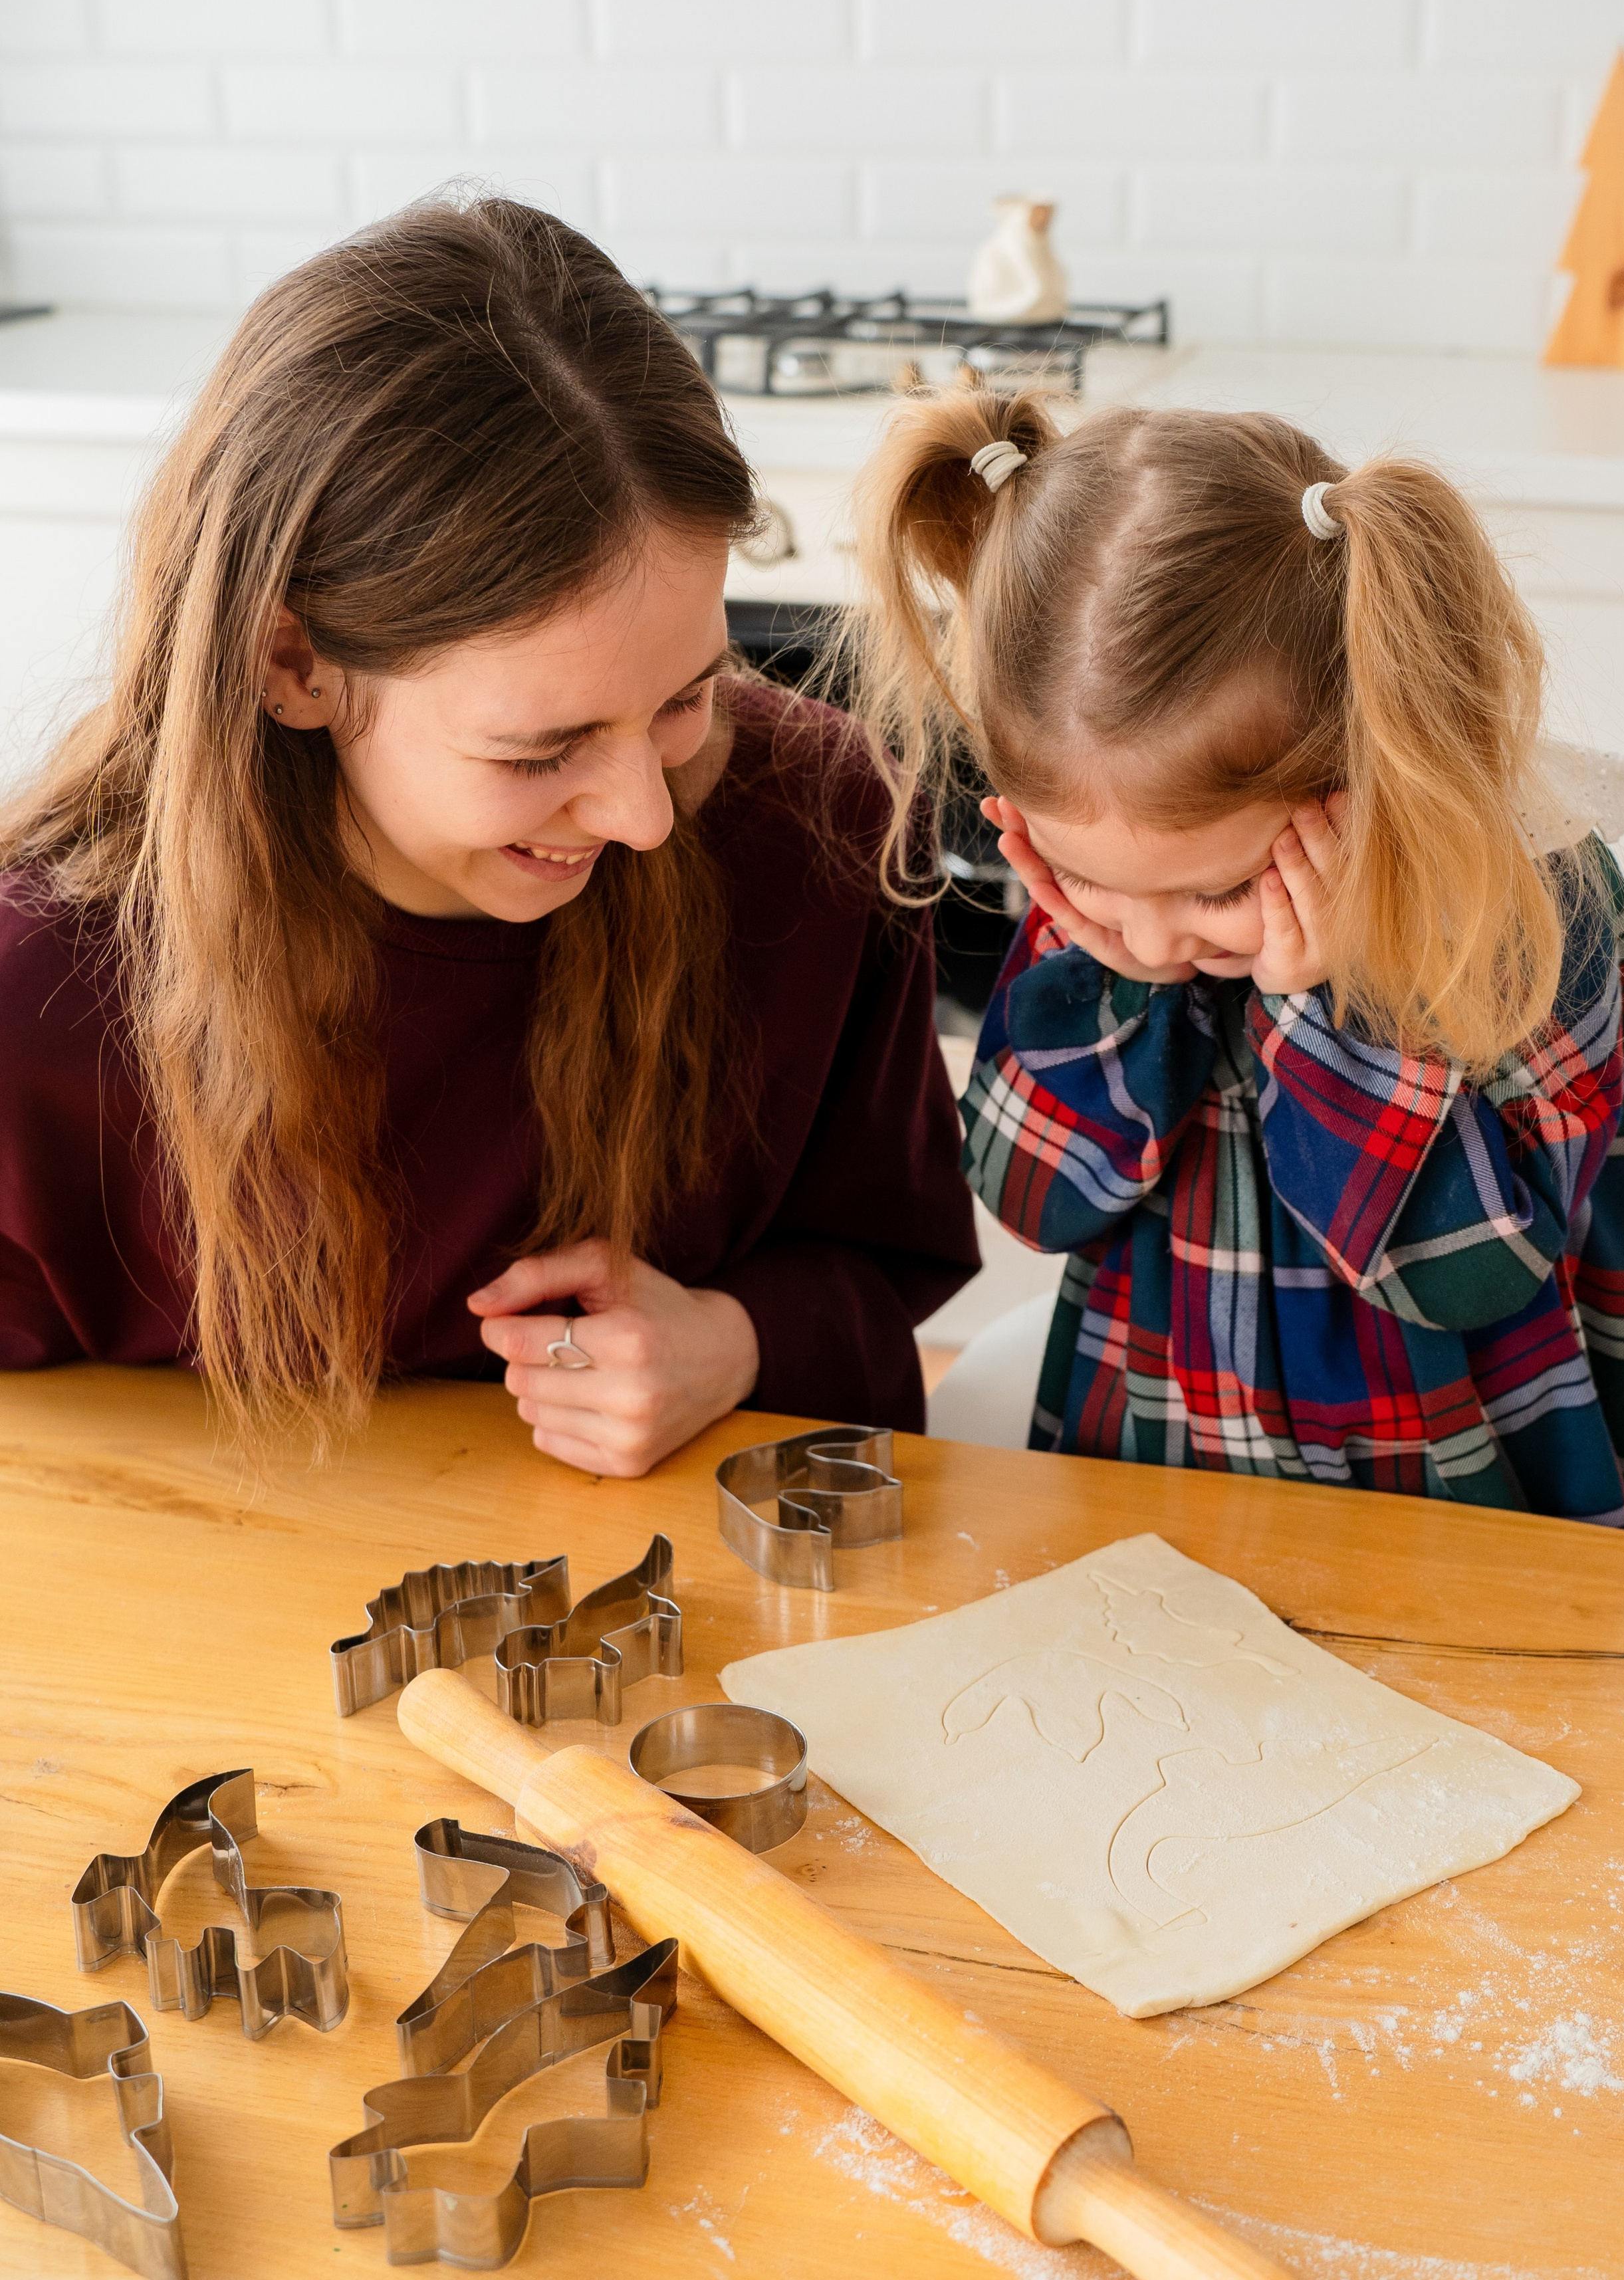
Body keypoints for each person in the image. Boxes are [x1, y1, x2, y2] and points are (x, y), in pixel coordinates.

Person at [0, 199, 978, 1470]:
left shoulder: (819, 820)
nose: (638, 816)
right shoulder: (38, 994)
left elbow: (886, 1268)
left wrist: (733, 1344)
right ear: (289, 663)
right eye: (540, 750)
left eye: (687, 696)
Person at [848, 391, 1624, 1528]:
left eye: (1222, 890)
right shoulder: (1126, 902)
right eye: (1095, 884)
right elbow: (1031, 1194)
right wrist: (1126, 979)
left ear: (1364, 765)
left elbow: (1473, 1278)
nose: (1151, 935)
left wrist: (1322, 1009)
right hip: (1153, 1478)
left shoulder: (1532, 904)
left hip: (1460, 1507)